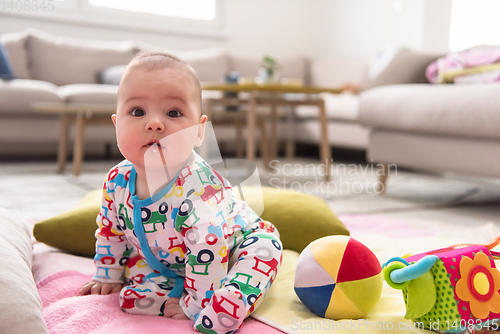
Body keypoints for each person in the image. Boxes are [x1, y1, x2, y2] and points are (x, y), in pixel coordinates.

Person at [78, 51, 283, 334]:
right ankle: (173, 294)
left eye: (173, 113)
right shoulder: (117, 180)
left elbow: (208, 248)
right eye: (137, 112)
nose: (154, 124)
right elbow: (110, 231)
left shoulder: (199, 187)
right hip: (171, 263)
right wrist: (108, 273)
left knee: (265, 250)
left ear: (199, 132)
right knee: (130, 295)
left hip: (234, 246)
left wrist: (198, 303)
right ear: (117, 125)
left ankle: (230, 300)